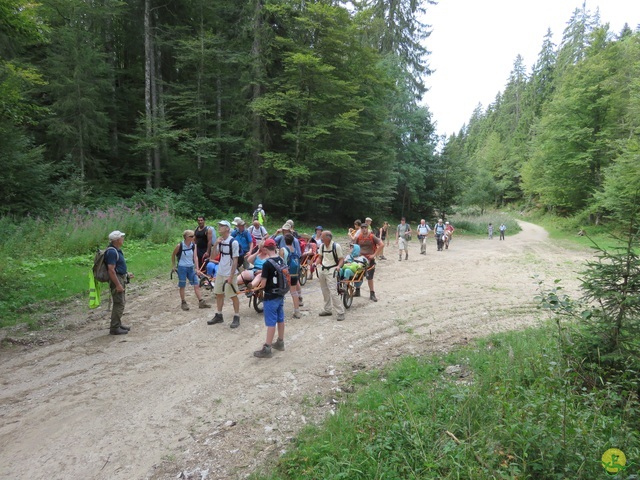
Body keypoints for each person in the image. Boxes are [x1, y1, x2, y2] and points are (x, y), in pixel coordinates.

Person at [253, 239, 286, 358]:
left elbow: (263, 284)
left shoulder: (267, 263)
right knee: (280, 318)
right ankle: (280, 342)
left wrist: (256, 289)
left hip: (270, 296)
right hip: (280, 294)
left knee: (271, 321)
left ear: (266, 249)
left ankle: (267, 348)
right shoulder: (280, 259)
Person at [208, 220, 241, 328]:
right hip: (220, 272)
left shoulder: (234, 242)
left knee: (232, 295)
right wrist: (216, 244)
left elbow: (235, 260)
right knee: (218, 294)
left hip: (229, 273)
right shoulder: (220, 241)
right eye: (219, 225)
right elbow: (213, 257)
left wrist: (231, 276)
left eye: (222, 226)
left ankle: (236, 316)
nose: (219, 227)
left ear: (227, 228)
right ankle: (219, 315)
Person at [172, 230, 211, 311]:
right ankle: (183, 302)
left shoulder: (193, 245)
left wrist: (197, 268)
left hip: (191, 267)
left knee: (196, 284)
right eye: (192, 236)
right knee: (182, 285)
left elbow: (195, 257)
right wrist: (173, 266)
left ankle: (201, 302)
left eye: (194, 236)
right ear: (186, 237)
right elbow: (173, 255)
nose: (194, 237)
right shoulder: (180, 246)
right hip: (182, 267)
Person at [104, 231, 134, 335]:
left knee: (120, 302)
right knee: (119, 303)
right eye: (121, 237)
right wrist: (118, 285)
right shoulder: (112, 252)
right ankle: (115, 327)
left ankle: (118, 323)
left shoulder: (116, 250)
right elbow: (111, 270)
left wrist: (126, 273)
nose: (123, 239)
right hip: (116, 279)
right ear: (117, 240)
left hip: (120, 277)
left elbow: (117, 267)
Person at [316, 230, 345, 320]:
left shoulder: (336, 246)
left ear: (328, 238)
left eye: (322, 236)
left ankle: (340, 312)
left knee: (333, 291)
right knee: (324, 291)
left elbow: (341, 259)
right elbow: (320, 257)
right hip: (323, 269)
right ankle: (327, 309)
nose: (321, 238)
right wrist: (315, 264)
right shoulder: (322, 246)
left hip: (332, 269)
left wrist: (338, 266)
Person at [354, 222, 382, 301]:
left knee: (370, 277)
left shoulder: (372, 236)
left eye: (365, 228)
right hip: (361, 259)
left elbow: (381, 244)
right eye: (362, 228)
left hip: (370, 259)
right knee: (357, 275)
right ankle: (357, 291)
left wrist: (374, 254)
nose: (364, 229)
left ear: (367, 228)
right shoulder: (359, 237)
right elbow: (355, 246)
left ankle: (372, 294)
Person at [280, 233, 302, 318]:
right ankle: (297, 311)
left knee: (281, 292)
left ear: (285, 240)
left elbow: (280, 263)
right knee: (294, 292)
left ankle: (279, 310)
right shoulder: (295, 250)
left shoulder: (283, 250)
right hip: (294, 273)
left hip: (286, 274)